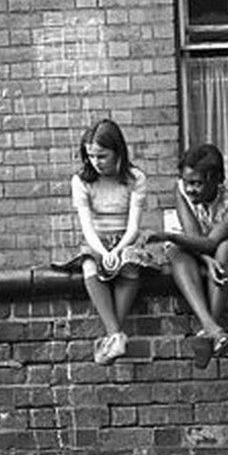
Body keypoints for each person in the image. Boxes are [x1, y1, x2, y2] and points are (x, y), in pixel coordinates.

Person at [150, 144, 228, 369]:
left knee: (224, 250)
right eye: (186, 182)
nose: (189, 189)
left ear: (216, 180)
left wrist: (168, 235)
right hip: (196, 245)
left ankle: (209, 330)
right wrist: (206, 259)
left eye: (197, 183)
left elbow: (212, 243)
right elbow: (193, 235)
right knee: (175, 250)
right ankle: (213, 330)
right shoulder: (180, 190)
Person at [67, 118, 158, 365]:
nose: (96, 162)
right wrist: (102, 251)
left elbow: (134, 227)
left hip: (125, 239)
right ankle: (115, 334)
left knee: (130, 262)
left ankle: (112, 339)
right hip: (96, 241)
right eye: (91, 156)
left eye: (102, 156)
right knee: (89, 264)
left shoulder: (135, 178)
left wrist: (118, 250)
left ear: (118, 151)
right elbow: (86, 226)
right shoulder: (81, 181)